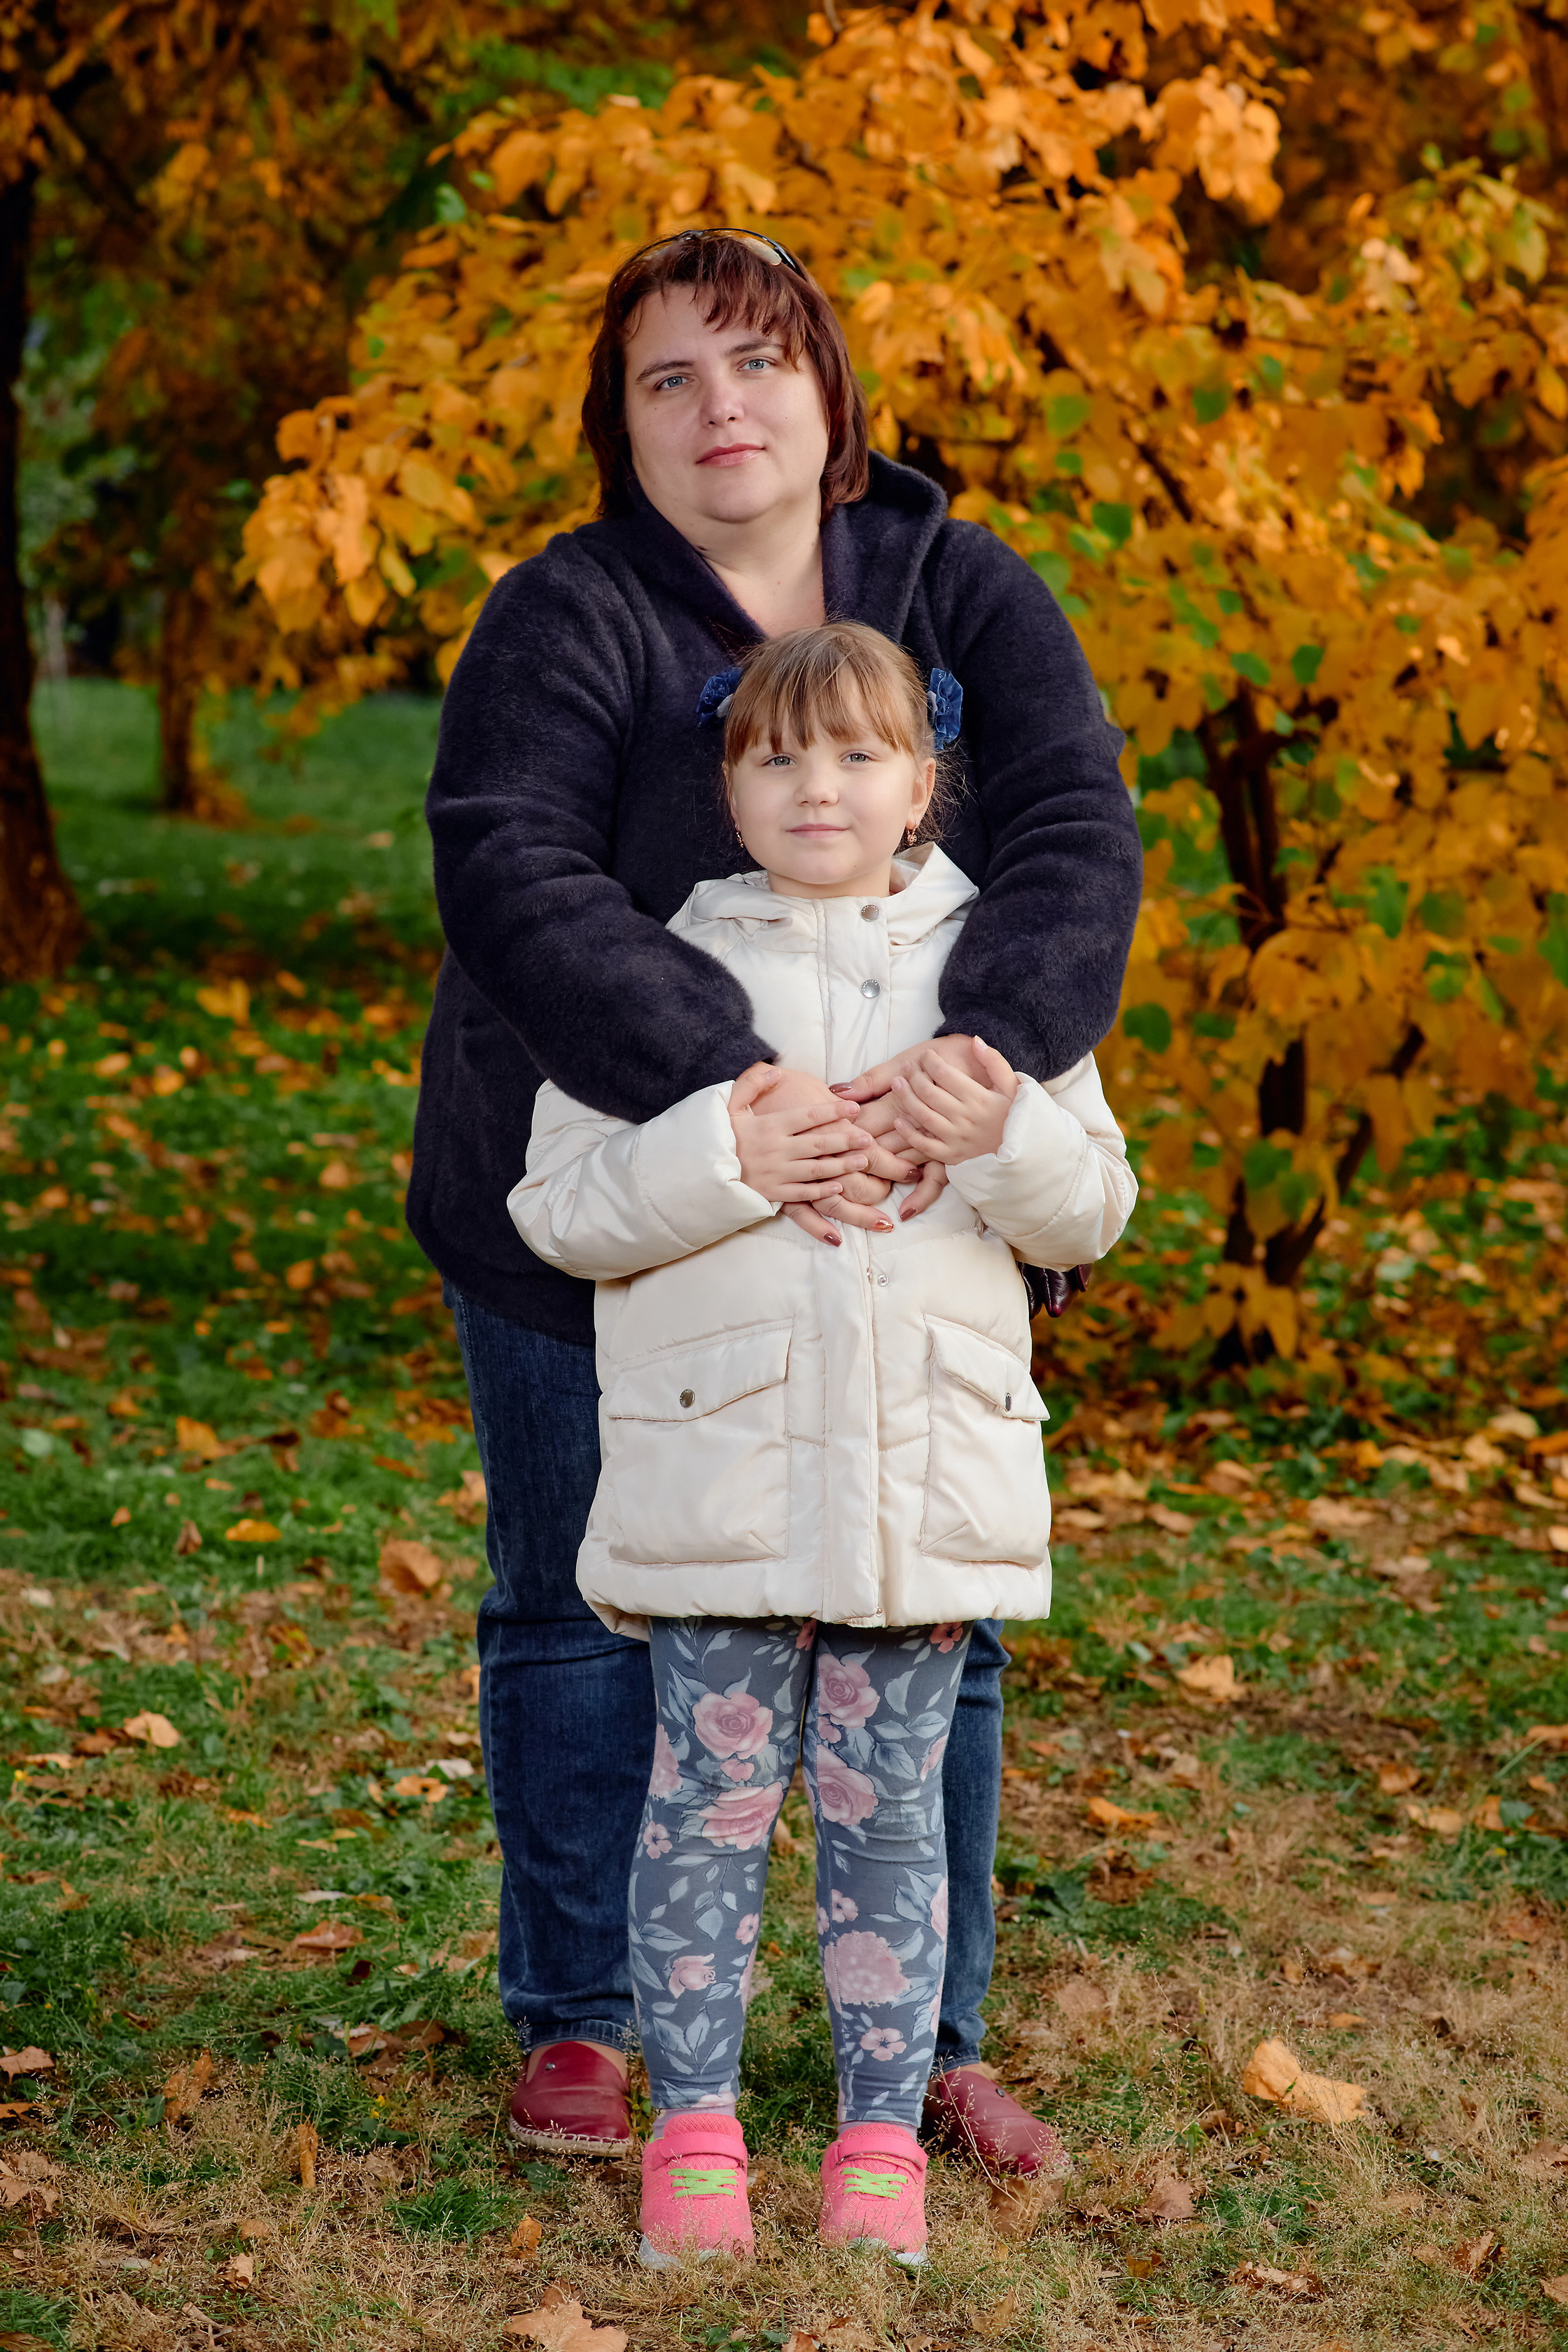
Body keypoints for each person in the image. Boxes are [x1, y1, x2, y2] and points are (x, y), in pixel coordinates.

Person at [412, 227, 1143, 2173]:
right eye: (668, 377)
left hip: (920, 1199)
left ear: (829, 400)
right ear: (623, 423)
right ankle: (583, 2019)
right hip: (607, 1174)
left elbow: (1075, 828)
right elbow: (514, 876)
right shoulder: (566, 615)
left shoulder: (963, 587)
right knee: (581, 1602)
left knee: (939, 1616)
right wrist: (748, 1094)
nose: (717, 407)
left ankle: (937, 2049)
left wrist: (957, 1077)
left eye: (754, 365)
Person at [509, 621, 1136, 2266]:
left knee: (887, 1807)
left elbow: (1095, 1205)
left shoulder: (1003, 977)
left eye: (860, 754)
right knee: (708, 1797)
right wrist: (728, 1149)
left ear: (924, 784)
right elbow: (560, 1210)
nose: (818, 785)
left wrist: (997, 1136)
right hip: (724, 1476)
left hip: (916, 1488)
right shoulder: (659, 975)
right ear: (726, 784)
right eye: (778, 754)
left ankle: (876, 2139)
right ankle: (695, 2134)